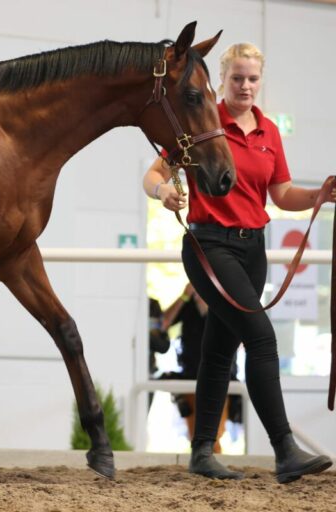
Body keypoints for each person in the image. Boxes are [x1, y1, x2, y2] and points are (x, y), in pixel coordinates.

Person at [142, 42, 335, 483]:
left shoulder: (268, 131)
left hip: (254, 250)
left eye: (252, 79)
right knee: (262, 340)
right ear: (222, 81)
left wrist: (319, 195)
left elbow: (282, 195)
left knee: (219, 352)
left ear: (259, 82)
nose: (244, 85)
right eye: (236, 78)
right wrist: (164, 192)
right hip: (210, 245)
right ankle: (285, 449)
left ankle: (201, 453)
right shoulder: (204, 122)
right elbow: (153, 174)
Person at [162, 283, 237, 453]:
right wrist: (184, 296)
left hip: (221, 377)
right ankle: (201, 462)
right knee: (195, 434)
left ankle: (213, 464)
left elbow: (237, 334)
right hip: (190, 376)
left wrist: (208, 306)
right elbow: (164, 322)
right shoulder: (188, 304)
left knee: (215, 433)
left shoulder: (223, 302)